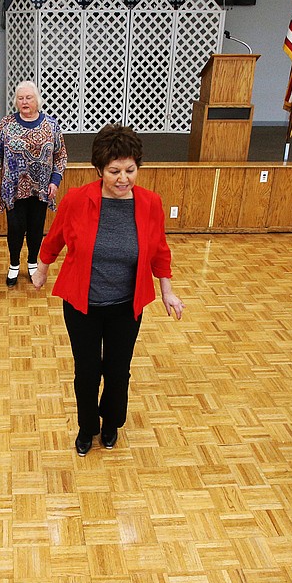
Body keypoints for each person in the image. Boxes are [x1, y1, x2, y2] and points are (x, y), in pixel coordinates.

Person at [32, 125, 183, 456]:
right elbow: (54, 237)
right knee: (86, 372)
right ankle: (88, 427)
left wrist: (167, 289)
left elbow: (159, 249)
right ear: (98, 170)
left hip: (126, 305)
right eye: (114, 171)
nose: (123, 178)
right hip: (83, 304)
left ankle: (112, 423)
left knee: (118, 370)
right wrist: (41, 269)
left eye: (130, 170)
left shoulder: (150, 203)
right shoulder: (76, 200)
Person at [0, 80, 67, 287]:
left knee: (35, 228)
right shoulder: (6, 124)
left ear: (37, 100)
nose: (24, 102)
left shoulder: (51, 125)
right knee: (15, 227)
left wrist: (55, 181)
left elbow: (61, 156)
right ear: (16, 101)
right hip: (13, 188)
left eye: (28, 98)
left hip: (41, 188)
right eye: (20, 98)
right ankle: (14, 265)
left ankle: (32, 262)